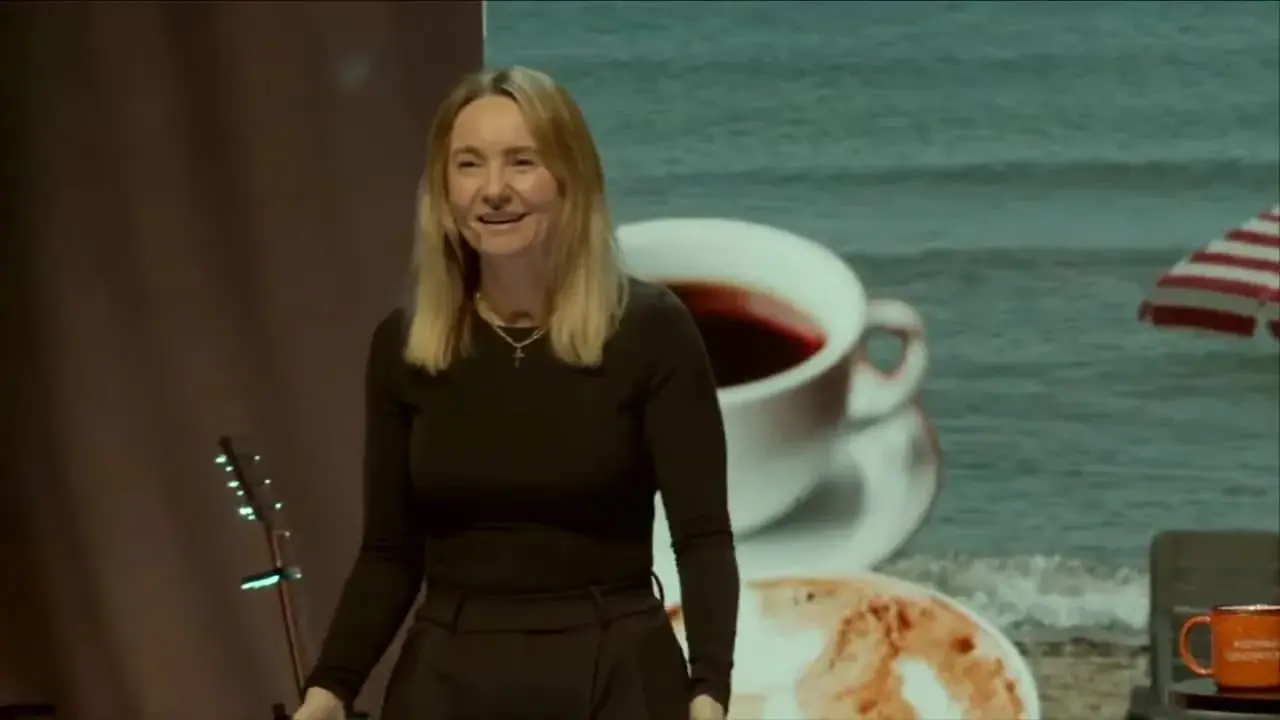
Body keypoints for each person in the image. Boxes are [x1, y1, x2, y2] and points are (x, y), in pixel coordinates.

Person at [292, 66, 739, 720]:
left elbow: (702, 539)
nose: (493, 190)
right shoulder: (407, 345)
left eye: (522, 163)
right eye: (469, 165)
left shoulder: (651, 331)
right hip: (447, 675)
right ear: (444, 190)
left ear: (570, 180)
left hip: (615, 666)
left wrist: (708, 692)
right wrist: (329, 691)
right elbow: (389, 555)